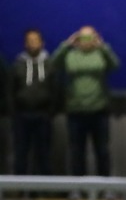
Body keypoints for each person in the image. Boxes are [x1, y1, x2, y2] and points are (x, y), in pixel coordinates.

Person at [52, 25, 120, 178]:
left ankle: (105, 186)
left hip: (99, 110)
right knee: (76, 150)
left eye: (90, 37)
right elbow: (53, 63)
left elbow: (115, 64)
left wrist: (103, 46)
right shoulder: (71, 55)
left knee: (102, 150)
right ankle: (77, 187)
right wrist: (66, 45)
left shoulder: (100, 54)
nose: (86, 41)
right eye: (83, 37)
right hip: (75, 110)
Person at [8, 28, 57, 175]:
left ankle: (45, 192)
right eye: (29, 41)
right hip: (21, 115)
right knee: (20, 154)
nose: (33, 44)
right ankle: (19, 190)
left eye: (36, 40)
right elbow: (10, 90)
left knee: (44, 154)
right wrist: (13, 112)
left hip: (43, 115)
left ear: (42, 43)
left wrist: (50, 112)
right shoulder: (17, 64)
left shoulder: (50, 64)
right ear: (25, 44)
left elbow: (56, 90)